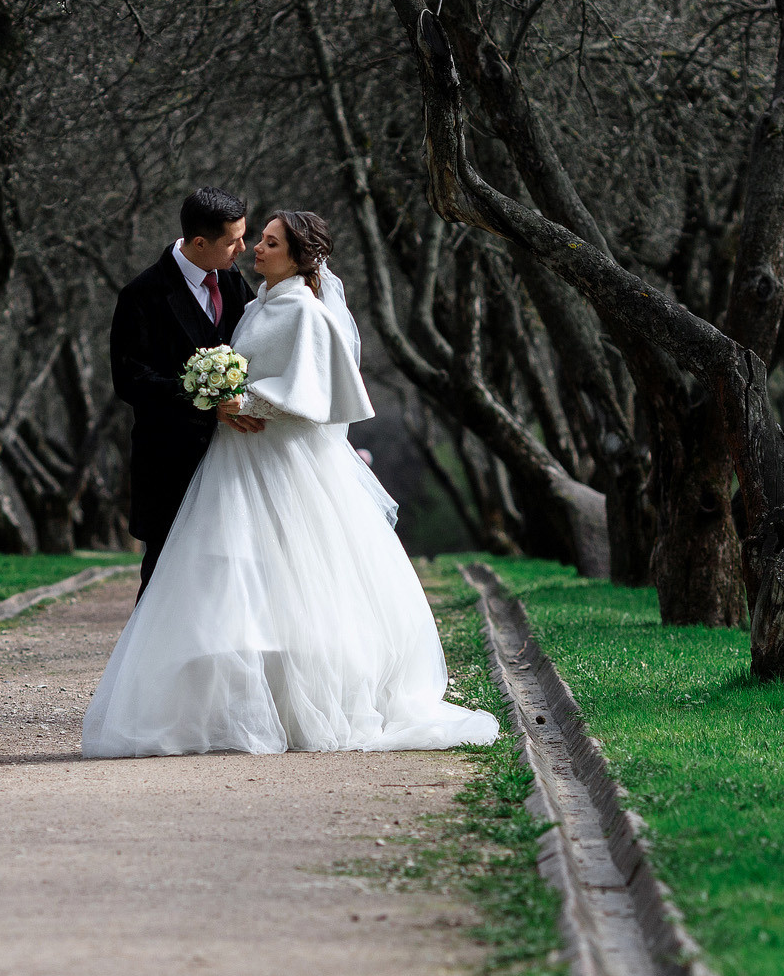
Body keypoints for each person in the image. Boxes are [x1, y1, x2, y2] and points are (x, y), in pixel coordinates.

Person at [82, 211, 499, 757]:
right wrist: (217, 396)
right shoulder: (257, 300)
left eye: (269, 241)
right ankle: (228, 704)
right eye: (253, 238)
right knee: (226, 582)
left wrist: (246, 400)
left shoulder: (304, 311)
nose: (255, 247)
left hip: (277, 459)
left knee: (297, 580)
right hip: (236, 456)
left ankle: (302, 707)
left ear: (302, 257)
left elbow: (313, 392)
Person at [109, 187, 258, 600]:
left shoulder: (232, 283)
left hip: (232, 459)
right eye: (233, 241)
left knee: (231, 575)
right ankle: (148, 665)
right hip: (168, 463)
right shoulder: (141, 295)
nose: (243, 248)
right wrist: (204, 400)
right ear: (198, 242)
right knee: (164, 578)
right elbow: (130, 380)